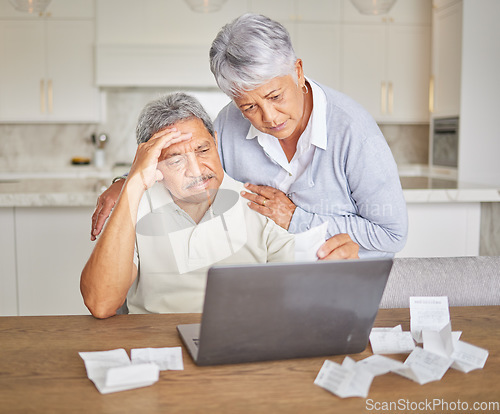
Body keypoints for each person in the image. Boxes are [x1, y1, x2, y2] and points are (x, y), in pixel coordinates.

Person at [91, 13, 407, 258]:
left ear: (297, 71)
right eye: (249, 106)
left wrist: (295, 218)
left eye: (275, 97)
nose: (268, 118)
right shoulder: (229, 123)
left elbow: (392, 235)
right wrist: (126, 181)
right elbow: (190, 167)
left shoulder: (354, 132)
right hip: (259, 282)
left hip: (335, 282)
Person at [81, 93, 359, 319]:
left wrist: (336, 272)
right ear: (151, 163)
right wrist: (131, 184)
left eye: (203, 150)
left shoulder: (259, 204)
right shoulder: (136, 206)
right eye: (176, 160)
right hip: (157, 347)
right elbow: (101, 303)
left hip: (240, 348)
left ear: (215, 142)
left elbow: (304, 296)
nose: (196, 170)